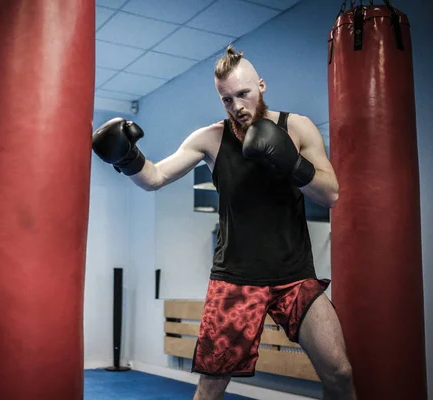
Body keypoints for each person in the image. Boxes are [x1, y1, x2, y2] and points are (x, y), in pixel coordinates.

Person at [91, 45, 356, 400]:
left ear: (261, 85)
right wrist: (127, 157)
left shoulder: (297, 128)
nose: (237, 107)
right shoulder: (211, 138)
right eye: (226, 99)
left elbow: (331, 194)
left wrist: (290, 161)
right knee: (210, 388)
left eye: (243, 94)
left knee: (339, 372)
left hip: (294, 276)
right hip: (235, 280)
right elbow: (154, 177)